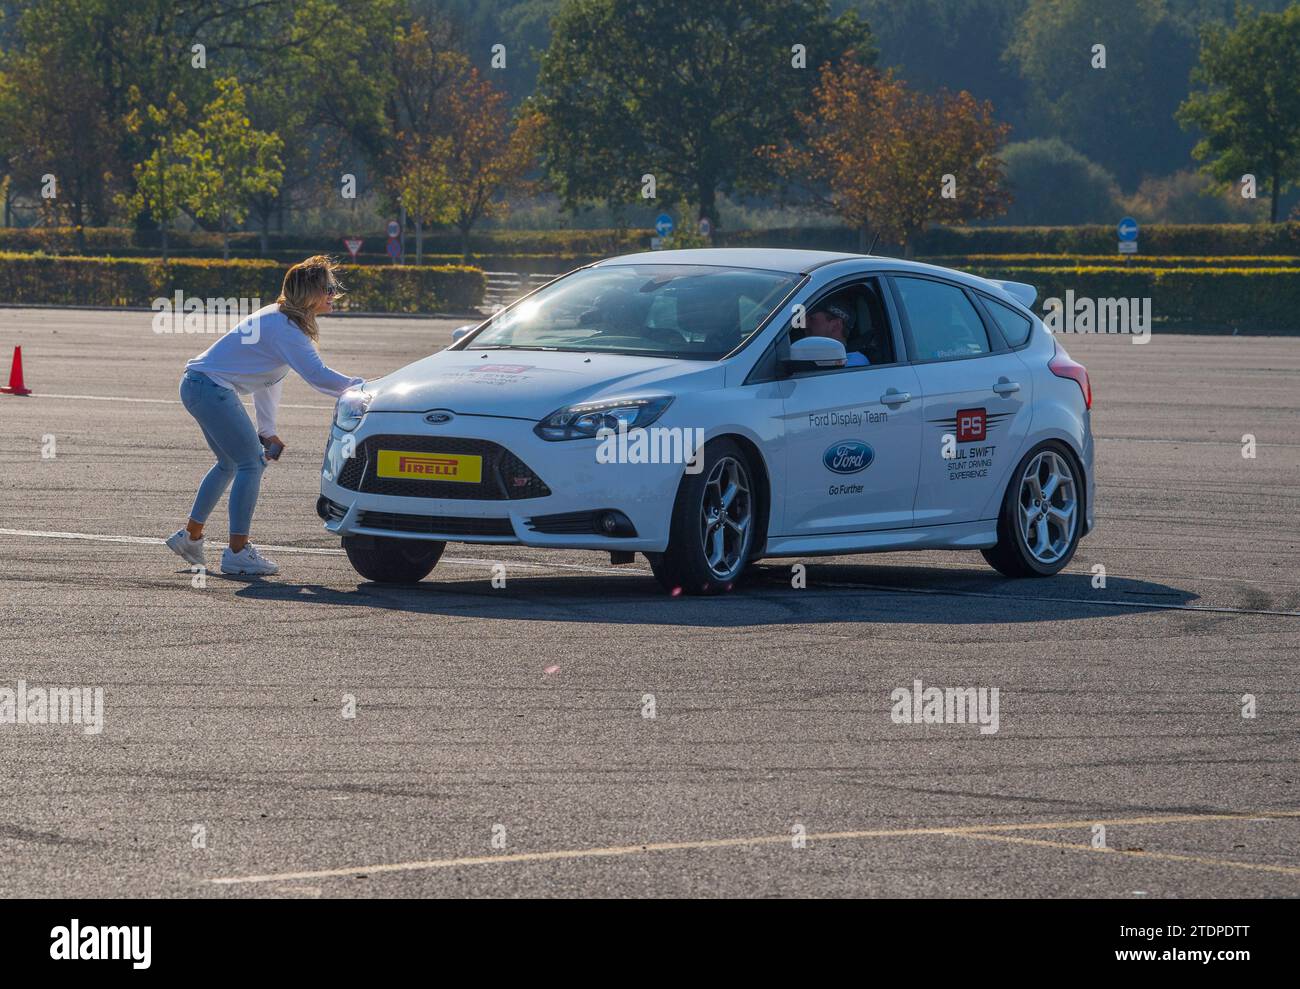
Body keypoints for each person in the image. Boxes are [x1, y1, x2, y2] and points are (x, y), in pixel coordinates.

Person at [165, 256, 364, 576]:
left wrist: (267, 428)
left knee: (231, 463)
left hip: (198, 386)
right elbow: (318, 376)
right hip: (209, 388)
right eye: (328, 287)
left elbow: (267, 378)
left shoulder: (282, 321)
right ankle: (237, 553)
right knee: (251, 463)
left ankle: (190, 537)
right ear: (310, 292)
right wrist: (364, 388)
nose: (334, 294)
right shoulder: (285, 327)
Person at [806, 299, 867, 366]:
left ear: (836, 325)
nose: (805, 324)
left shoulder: (855, 362)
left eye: (812, 319)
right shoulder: (813, 358)